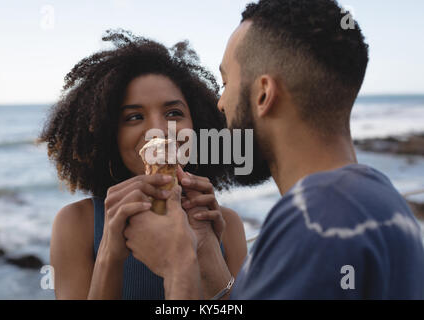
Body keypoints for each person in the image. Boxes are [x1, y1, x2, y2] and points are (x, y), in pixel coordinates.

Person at [122, 0, 424, 299]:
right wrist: (208, 256)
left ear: (264, 94)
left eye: (226, 83)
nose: (220, 103)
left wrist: (177, 266)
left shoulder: (315, 223)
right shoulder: (385, 203)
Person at [38, 29, 247, 299]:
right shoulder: (77, 224)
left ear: (197, 124)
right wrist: (110, 254)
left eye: (174, 113)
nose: (159, 130)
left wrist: (207, 254)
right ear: (108, 133)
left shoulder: (224, 223)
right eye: (134, 117)